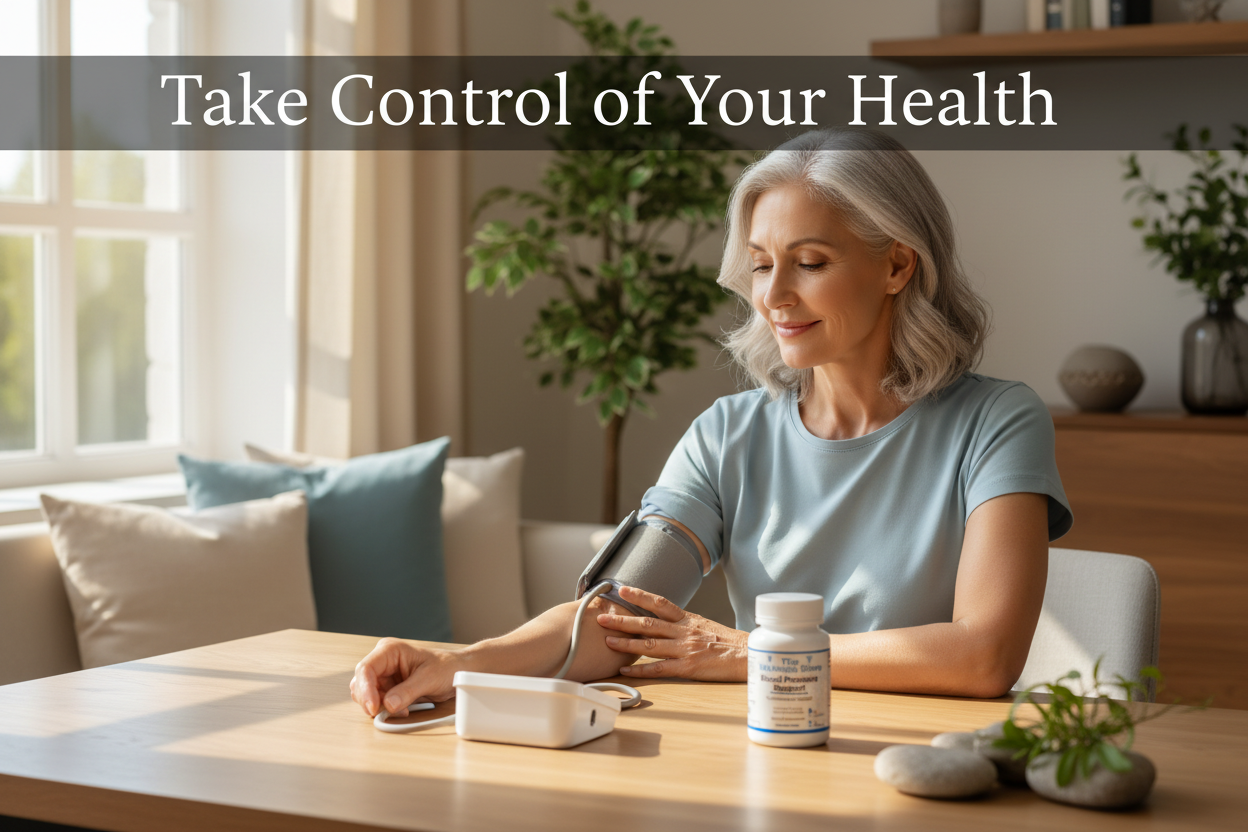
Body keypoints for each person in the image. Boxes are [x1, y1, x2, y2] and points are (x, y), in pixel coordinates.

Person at [350, 129, 1072, 720]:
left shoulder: (995, 422)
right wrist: (461, 662)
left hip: (921, 766)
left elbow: (984, 656)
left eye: (809, 262)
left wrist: (747, 652)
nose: (774, 295)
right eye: (760, 266)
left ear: (898, 266)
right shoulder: (727, 435)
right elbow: (614, 620)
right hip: (763, 752)